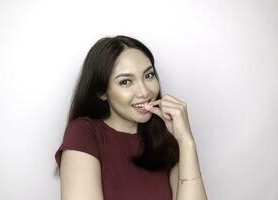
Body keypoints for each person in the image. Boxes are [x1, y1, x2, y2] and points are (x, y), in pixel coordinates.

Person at [54, 35, 207, 200]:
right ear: (102, 92)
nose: (144, 92)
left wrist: (186, 141)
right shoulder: (84, 134)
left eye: (148, 76)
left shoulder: (166, 140)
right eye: (126, 82)